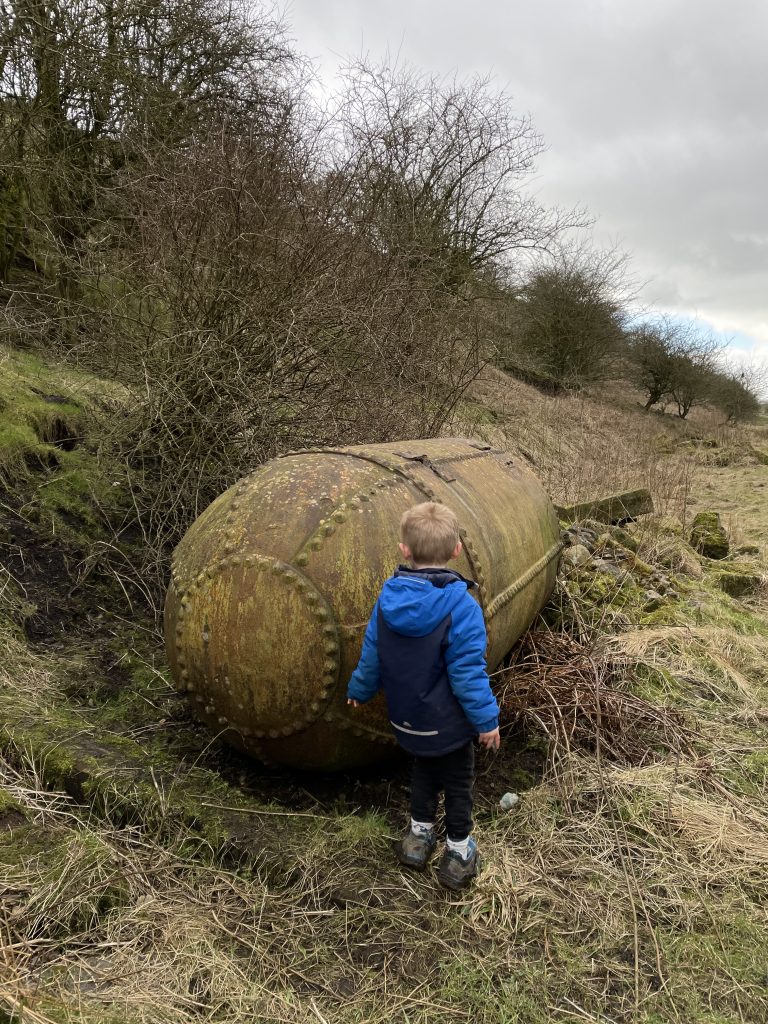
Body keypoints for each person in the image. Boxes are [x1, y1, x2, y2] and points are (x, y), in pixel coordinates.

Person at [346, 501, 500, 891]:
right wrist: (487, 721)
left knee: (423, 773)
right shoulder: (462, 606)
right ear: (456, 551)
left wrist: (358, 691)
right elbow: (467, 674)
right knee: (459, 784)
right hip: (448, 725)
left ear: (404, 550)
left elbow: (372, 653)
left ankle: (417, 840)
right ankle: (459, 853)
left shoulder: (387, 599)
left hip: (407, 721)